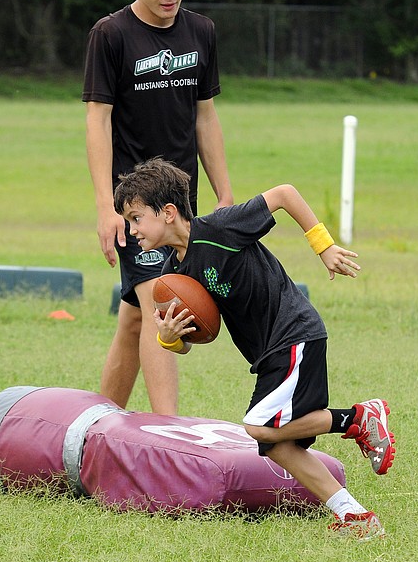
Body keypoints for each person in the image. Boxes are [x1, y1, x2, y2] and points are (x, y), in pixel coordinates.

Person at [113, 158, 396, 540]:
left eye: (135, 218)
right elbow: (189, 345)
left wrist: (323, 247)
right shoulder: (171, 278)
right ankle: (355, 517)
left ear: (167, 213)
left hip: (293, 332)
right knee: (277, 445)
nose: (132, 231)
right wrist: (168, 335)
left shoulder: (220, 227)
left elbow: (284, 194)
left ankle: (358, 418)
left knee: (258, 427)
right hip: (266, 354)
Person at [83, 0, 233, 415]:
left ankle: (95, 434)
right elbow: (97, 121)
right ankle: (169, 434)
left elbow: (205, 118)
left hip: (178, 202)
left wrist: (224, 197)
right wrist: (107, 209)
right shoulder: (111, 35)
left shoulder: (202, 32)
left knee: (133, 319)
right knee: (160, 305)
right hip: (135, 204)